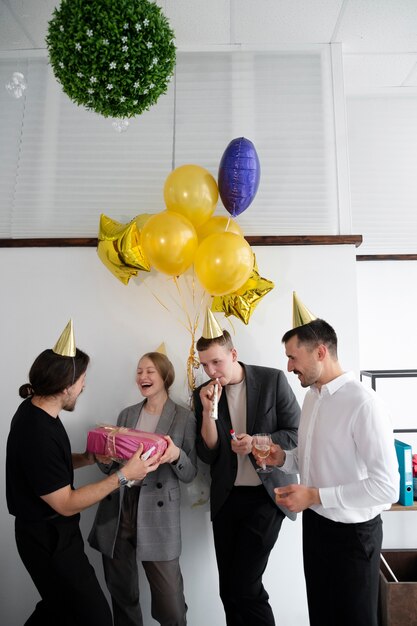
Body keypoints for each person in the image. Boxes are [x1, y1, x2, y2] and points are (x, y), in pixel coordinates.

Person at [6, 320, 150, 626]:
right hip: (47, 539)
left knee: (58, 610)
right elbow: (65, 502)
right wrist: (124, 475)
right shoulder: (37, 431)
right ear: (65, 385)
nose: (84, 386)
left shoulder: (38, 410)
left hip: (53, 535)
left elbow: (48, 468)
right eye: (82, 380)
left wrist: (87, 457)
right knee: (93, 617)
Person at [257, 316, 399, 626]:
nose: (289, 367)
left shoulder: (364, 404)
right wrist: (281, 457)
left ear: (321, 352)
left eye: (294, 357)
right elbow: (309, 459)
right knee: (321, 616)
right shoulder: (311, 397)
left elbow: (387, 487)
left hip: (354, 537)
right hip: (317, 527)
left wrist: (314, 495)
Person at [193, 309, 300, 626]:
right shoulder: (205, 395)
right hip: (227, 500)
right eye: (204, 365)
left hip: (266, 498)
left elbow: (295, 434)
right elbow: (207, 453)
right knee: (229, 590)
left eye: (217, 362)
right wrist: (207, 412)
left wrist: (257, 441)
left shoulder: (272, 380)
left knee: (246, 586)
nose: (211, 371)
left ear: (233, 354)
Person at [88, 350, 198, 626]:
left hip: (158, 512)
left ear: (165, 376)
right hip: (121, 505)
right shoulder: (127, 414)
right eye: (139, 371)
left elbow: (191, 473)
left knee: (171, 605)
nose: (143, 377)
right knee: (122, 592)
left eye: (149, 371)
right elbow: (115, 465)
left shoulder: (183, 417)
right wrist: (104, 458)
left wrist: (175, 456)